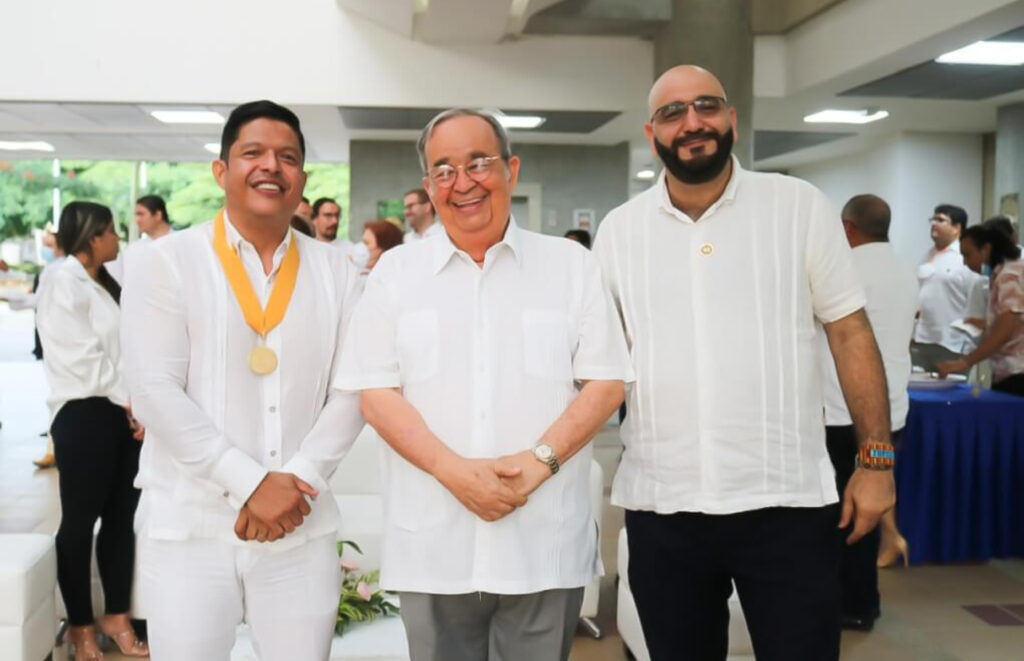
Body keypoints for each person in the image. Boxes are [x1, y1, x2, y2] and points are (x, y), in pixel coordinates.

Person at [592, 65, 894, 661]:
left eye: (707, 105)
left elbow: (851, 332)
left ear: (731, 118)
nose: (693, 121)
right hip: (664, 505)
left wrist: (876, 459)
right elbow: (600, 363)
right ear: (653, 134)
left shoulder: (798, 206)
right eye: (673, 112)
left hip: (787, 505)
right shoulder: (620, 231)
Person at [336, 108, 632, 661]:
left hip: (542, 539)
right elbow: (375, 394)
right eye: (443, 170)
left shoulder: (571, 266)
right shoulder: (396, 274)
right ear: (429, 186)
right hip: (433, 543)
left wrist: (538, 463)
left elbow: (606, 383)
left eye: (478, 162)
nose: (463, 182)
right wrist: (454, 473)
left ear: (511, 170)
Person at [120, 100, 364, 659]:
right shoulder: (166, 261)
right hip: (191, 524)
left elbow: (354, 390)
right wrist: (253, 483)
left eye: (287, 157)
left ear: (303, 178)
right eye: (252, 153)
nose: (270, 167)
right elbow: (155, 392)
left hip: (300, 528)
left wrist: (296, 479)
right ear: (221, 170)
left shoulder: (337, 271)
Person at [37, 201, 148, 660]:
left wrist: (137, 404)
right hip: (85, 414)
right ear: (91, 234)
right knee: (79, 524)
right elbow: (80, 356)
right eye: (112, 231)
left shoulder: (103, 280)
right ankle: (80, 626)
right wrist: (131, 400)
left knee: (122, 521)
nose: (118, 238)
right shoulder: (61, 280)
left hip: (120, 412)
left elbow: (126, 349)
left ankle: (116, 617)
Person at [818, 194, 917, 630]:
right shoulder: (904, 268)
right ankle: (863, 600)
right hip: (891, 409)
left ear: (848, 228)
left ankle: (850, 604)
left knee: (842, 514)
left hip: (846, 412)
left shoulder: (850, 270)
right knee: (870, 506)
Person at [937, 224, 1024, 395]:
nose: (965, 263)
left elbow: (1006, 329)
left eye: (967, 255)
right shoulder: (1004, 273)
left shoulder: (1010, 275)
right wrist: (986, 323)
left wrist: (964, 362)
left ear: (986, 249)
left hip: (1017, 372)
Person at [912, 204, 982, 371]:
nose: (934, 223)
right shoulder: (927, 255)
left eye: (941, 220)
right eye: (933, 219)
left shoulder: (964, 258)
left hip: (952, 343)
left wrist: (971, 342)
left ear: (957, 228)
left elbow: (976, 302)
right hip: (921, 340)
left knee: (950, 395)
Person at [106, 195, 173, 285]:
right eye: (136, 215)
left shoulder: (181, 243)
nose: (137, 220)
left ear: (158, 215)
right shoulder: (133, 249)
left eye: (141, 214)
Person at [356, 219, 404, 286]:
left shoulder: (391, 282)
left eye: (366, 243)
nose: (361, 247)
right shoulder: (359, 274)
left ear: (382, 249)